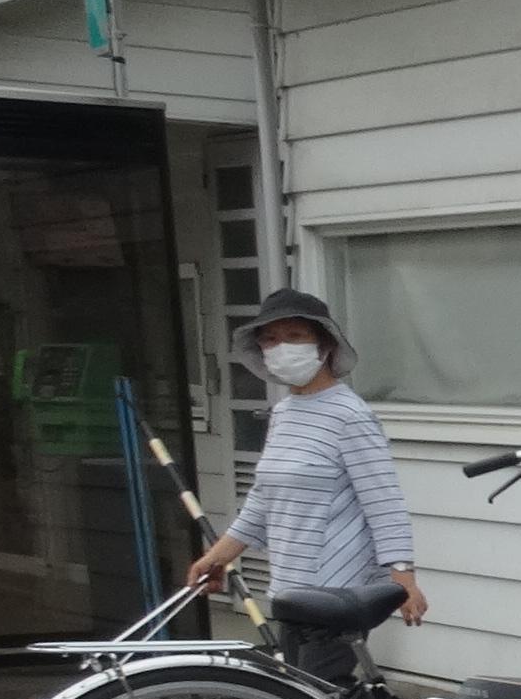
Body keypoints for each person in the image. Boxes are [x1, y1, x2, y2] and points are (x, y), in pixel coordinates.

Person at [181, 288, 426, 672]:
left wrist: (402, 577)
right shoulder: (284, 413)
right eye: (270, 339)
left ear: (324, 344)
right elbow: (263, 499)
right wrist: (216, 558)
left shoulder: (350, 416)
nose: (281, 347)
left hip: (339, 589)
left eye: (295, 336)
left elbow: (384, 501)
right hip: (291, 589)